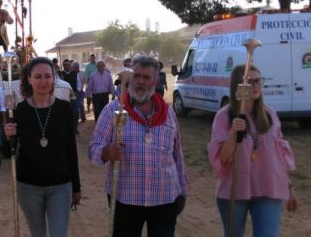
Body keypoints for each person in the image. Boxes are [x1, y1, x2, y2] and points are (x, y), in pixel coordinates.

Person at [88, 56, 188, 237]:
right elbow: (94, 148)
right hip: (125, 199)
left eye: (146, 77)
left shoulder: (169, 113)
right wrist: (107, 152)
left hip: (164, 198)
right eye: (136, 76)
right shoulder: (113, 111)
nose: (140, 81)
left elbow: (177, 154)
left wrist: (182, 189)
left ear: (155, 81)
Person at [207, 64, 298, 237]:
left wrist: (289, 187)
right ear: (238, 86)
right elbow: (222, 158)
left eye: (258, 81)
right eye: (250, 81)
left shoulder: (269, 114)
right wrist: (233, 133)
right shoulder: (224, 116)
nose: (256, 85)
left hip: (268, 189)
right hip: (234, 190)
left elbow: (278, 157)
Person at [4, 57, 81, 237]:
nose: (43, 81)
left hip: (61, 185)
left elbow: (71, 149)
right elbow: (12, 152)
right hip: (29, 185)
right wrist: (9, 137)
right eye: (38, 77)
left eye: (48, 76)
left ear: (54, 78)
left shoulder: (64, 109)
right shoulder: (20, 111)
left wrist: (76, 187)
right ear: (29, 79)